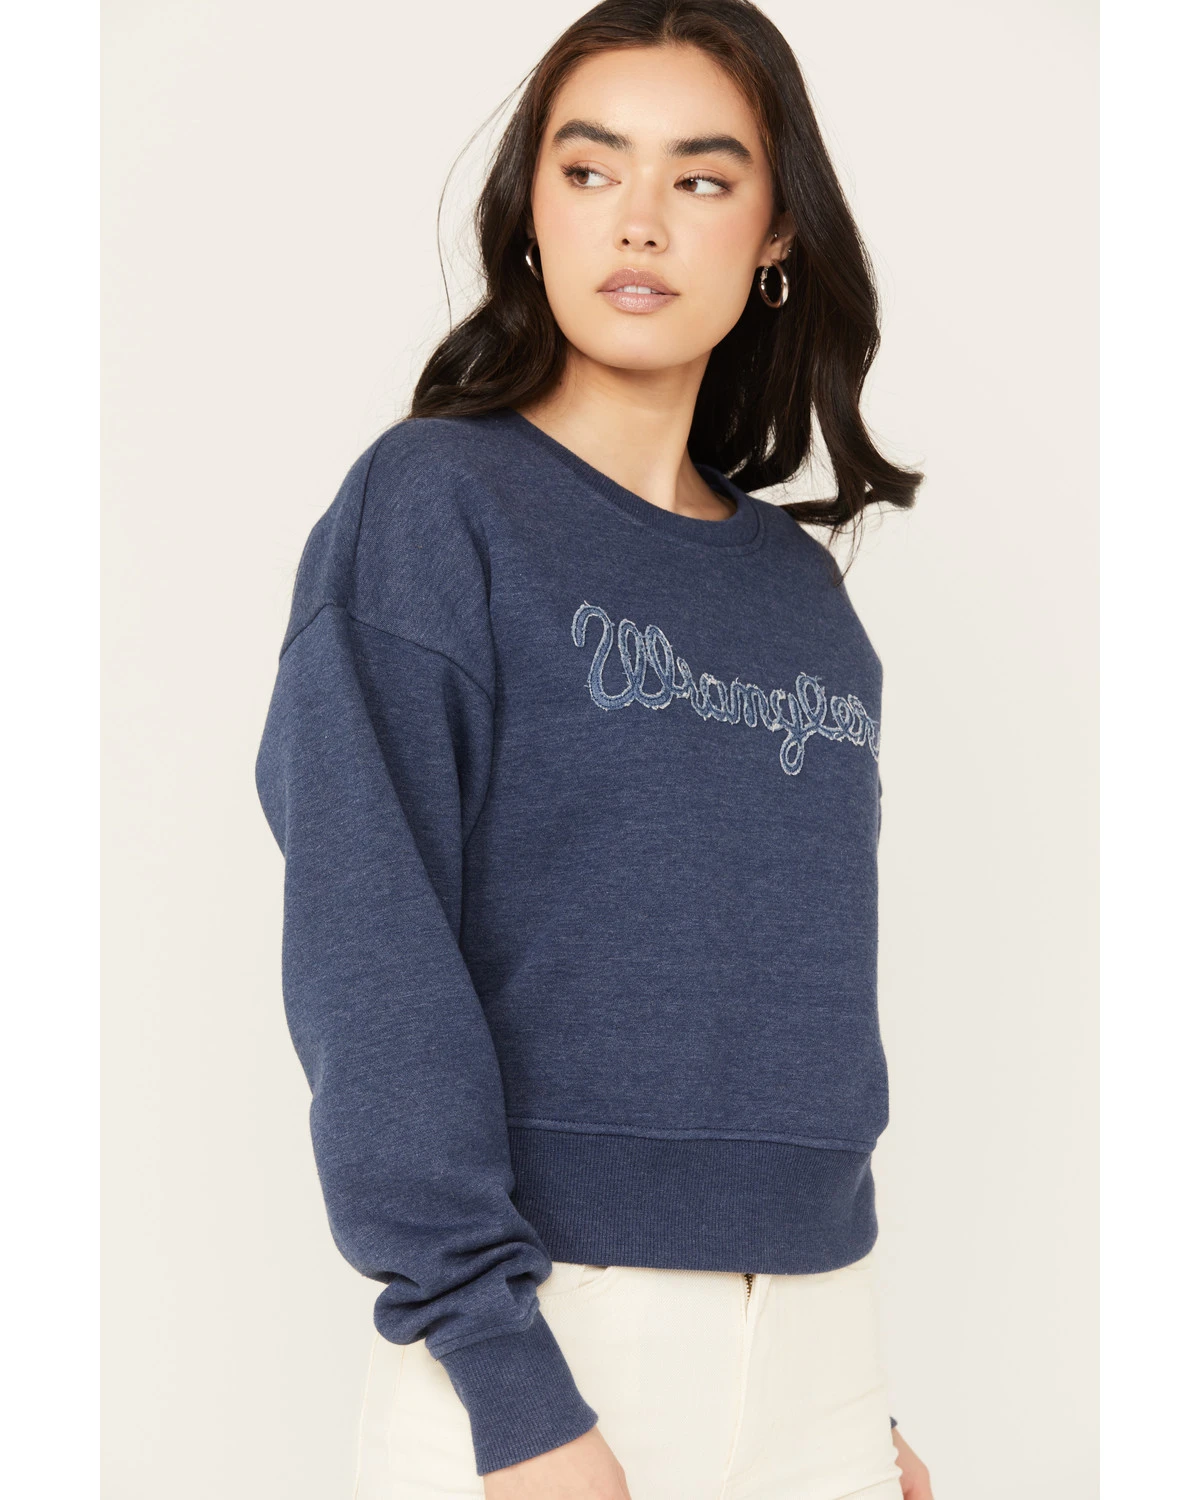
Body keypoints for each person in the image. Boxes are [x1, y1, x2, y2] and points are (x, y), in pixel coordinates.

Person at [255, 2, 934, 1496]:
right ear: (531, 212)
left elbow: (778, 1002)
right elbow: (369, 946)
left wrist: (849, 1400)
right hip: (544, 1347)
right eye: (589, 169)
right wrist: (506, 1379)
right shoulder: (434, 508)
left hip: (824, 1354)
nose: (639, 220)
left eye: (701, 177)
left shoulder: (801, 600)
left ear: (776, 234)